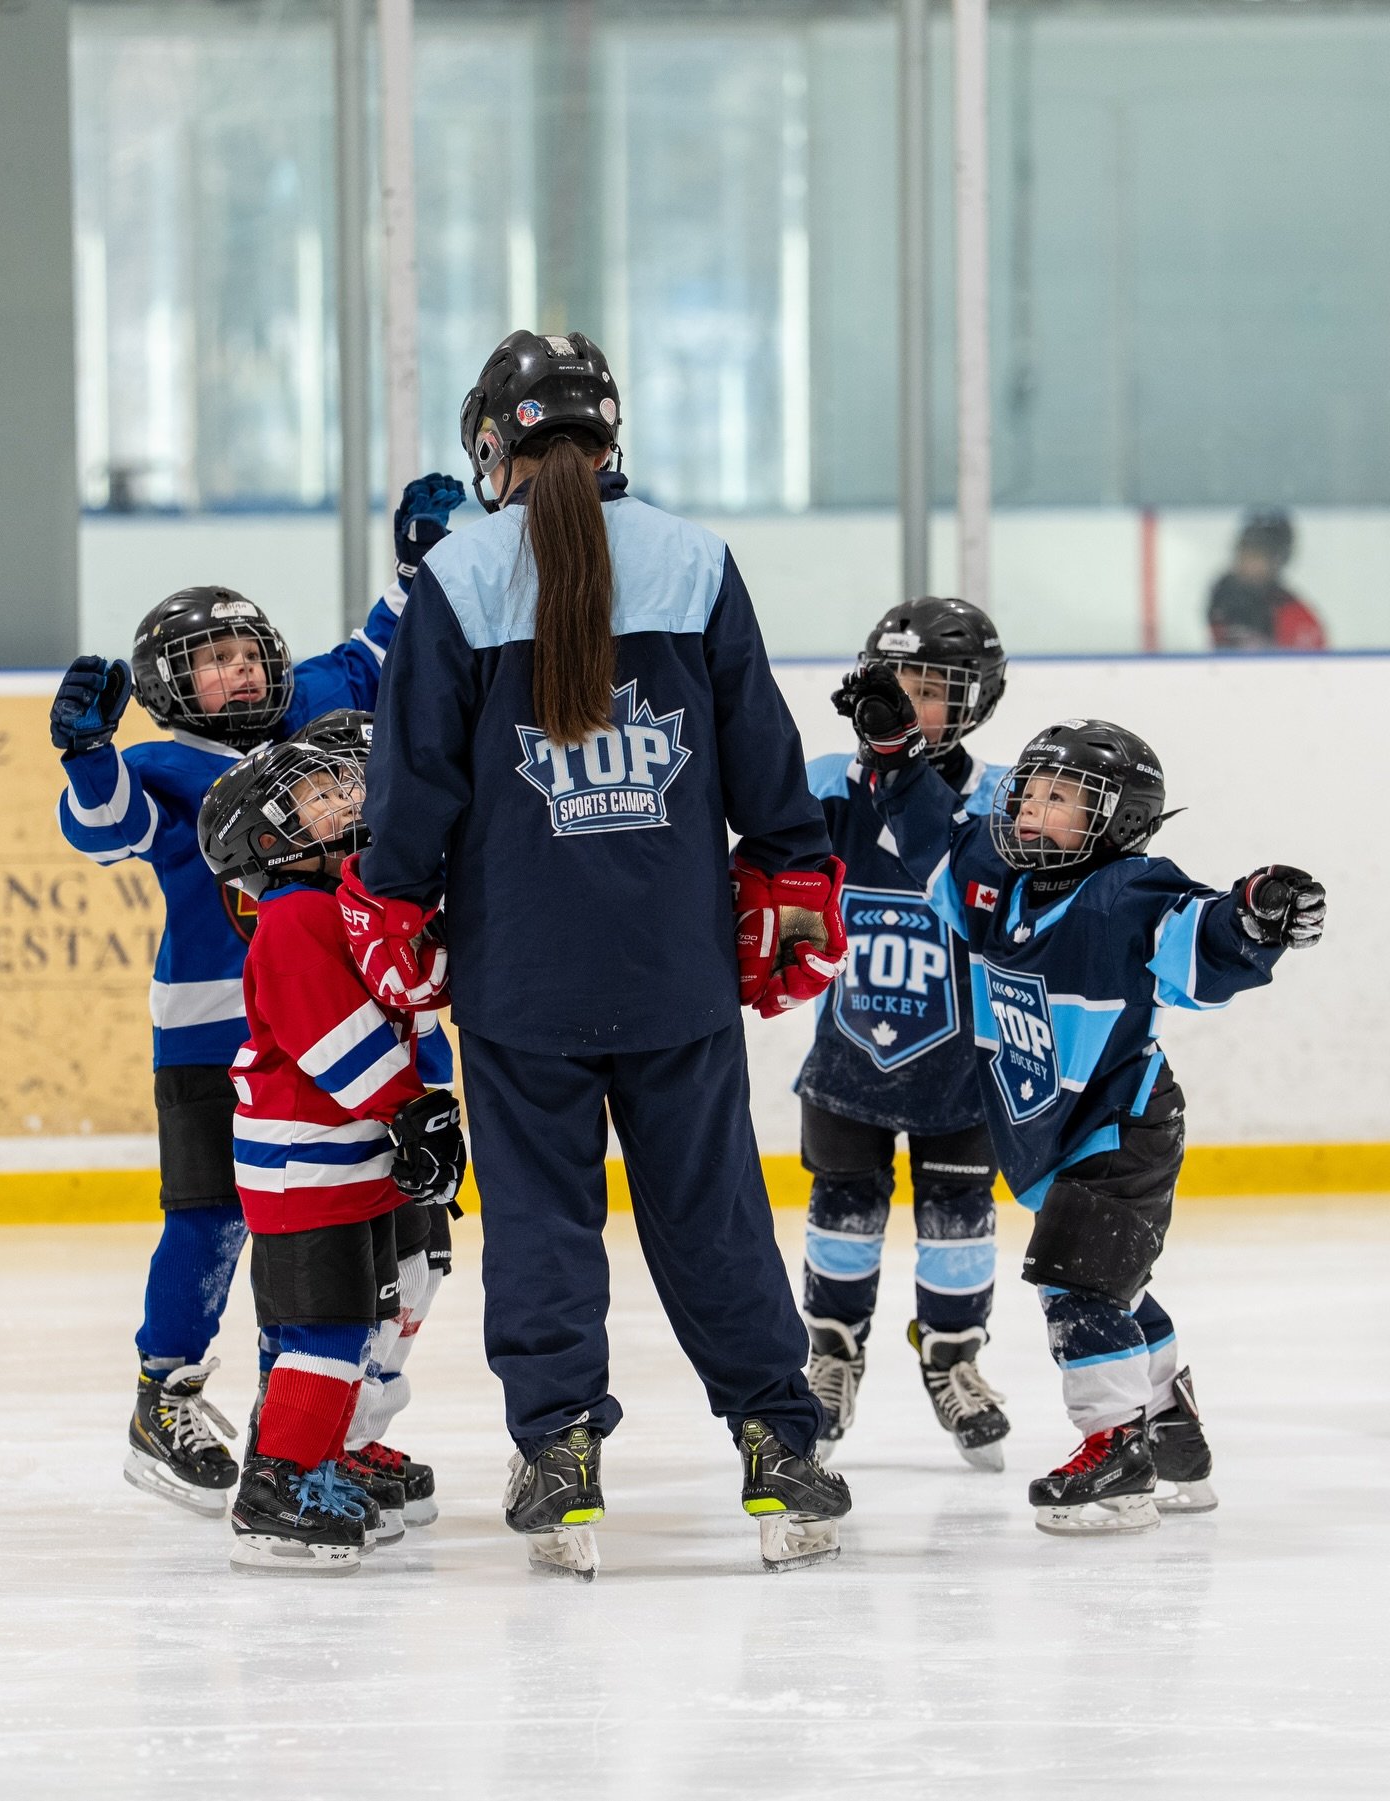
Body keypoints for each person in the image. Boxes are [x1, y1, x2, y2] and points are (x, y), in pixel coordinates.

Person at [334, 328, 852, 1578]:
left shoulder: (458, 575)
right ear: (612, 437)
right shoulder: (695, 558)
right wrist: (792, 869)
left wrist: (391, 900)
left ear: (490, 443)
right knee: (714, 1213)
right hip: (673, 963)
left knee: (540, 1223)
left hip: (521, 970)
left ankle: (559, 1450)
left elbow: (414, 780)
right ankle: (780, 1447)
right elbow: (763, 749)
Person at [49, 474, 464, 1518]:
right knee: (211, 1223)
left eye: (248, 650)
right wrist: (88, 755)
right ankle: (165, 1395)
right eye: (213, 657)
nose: (239, 668)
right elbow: (103, 827)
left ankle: (319, 1430)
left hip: (355, 1030)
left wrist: (415, 565)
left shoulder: (317, 704)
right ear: (169, 682)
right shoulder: (163, 767)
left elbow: (381, 647)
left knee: (364, 1240)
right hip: (213, 1038)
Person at [834, 666, 1327, 1535]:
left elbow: (1202, 936)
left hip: (1121, 1124)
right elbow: (929, 834)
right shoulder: (993, 880)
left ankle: (1115, 1449)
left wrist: (1254, 915)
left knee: (1076, 1282)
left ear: (1119, 821)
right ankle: (1172, 1429)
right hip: (1053, 1134)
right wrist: (893, 753)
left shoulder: (1128, 893)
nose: (1032, 809)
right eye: (1030, 791)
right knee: (1115, 1284)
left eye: (1062, 798)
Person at [197, 715, 466, 1574]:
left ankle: (318, 1454)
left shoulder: (336, 907)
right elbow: (335, 1040)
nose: (348, 797)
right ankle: (278, 1484)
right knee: (326, 1331)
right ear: (268, 838)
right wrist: (408, 1108)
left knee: (345, 1324)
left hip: (346, 1166)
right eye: (319, 795)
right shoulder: (294, 919)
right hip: (304, 1168)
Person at [797, 597, 1011, 1468]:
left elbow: (990, 898)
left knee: (960, 1221)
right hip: (850, 1057)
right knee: (841, 1212)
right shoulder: (824, 785)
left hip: (961, 1070)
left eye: (930, 689)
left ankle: (953, 1357)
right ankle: (832, 1352)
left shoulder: (1000, 800)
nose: (909, 704)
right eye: (896, 685)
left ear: (975, 701)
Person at [1207, 509, 1326, 650]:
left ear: (1277, 561)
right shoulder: (1224, 599)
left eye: (1257, 555)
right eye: (1243, 550)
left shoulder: (1297, 618)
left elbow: (1311, 661)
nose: (1246, 561)